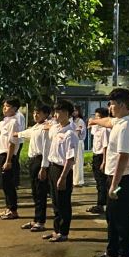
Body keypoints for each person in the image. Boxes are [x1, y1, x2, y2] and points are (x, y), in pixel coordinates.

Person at [92, 87, 129, 257]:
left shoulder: (127, 126)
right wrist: (94, 120)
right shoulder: (119, 121)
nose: (109, 108)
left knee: (122, 217)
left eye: (111, 104)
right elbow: (107, 121)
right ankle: (111, 251)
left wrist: (114, 184)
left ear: (121, 105)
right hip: (113, 175)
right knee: (111, 215)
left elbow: (123, 156)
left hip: (123, 179)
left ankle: (125, 255)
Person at [43, 99, 78, 242]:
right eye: (55, 111)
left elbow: (70, 159)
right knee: (55, 201)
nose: (55, 115)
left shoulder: (70, 134)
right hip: (53, 167)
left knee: (63, 202)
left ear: (66, 113)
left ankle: (63, 232)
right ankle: (56, 230)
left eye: (58, 112)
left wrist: (63, 177)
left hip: (63, 170)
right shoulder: (56, 129)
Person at [14, 104, 51, 231]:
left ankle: (40, 221)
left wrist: (44, 167)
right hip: (33, 161)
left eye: (38, 113)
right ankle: (36, 219)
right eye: (34, 113)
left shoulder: (46, 128)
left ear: (46, 115)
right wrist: (17, 134)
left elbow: (46, 149)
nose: (35, 115)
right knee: (35, 192)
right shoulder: (36, 127)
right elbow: (27, 132)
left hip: (40, 160)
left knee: (40, 192)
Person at [0, 97, 24, 221]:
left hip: (6, 155)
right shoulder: (6, 120)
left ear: (14, 108)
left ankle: (13, 210)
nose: (4, 108)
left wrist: (8, 160)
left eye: (7, 106)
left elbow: (12, 142)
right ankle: (8, 208)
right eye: (4, 106)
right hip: (0, 154)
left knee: (9, 184)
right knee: (4, 184)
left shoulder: (14, 122)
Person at [88, 107, 111, 214]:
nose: (95, 119)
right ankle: (101, 203)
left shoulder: (105, 130)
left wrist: (104, 161)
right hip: (96, 155)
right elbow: (91, 128)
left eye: (97, 117)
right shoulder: (97, 128)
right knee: (98, 181)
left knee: (102, 182)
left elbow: (105, 146)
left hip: (101, 156)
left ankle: (101, 204)